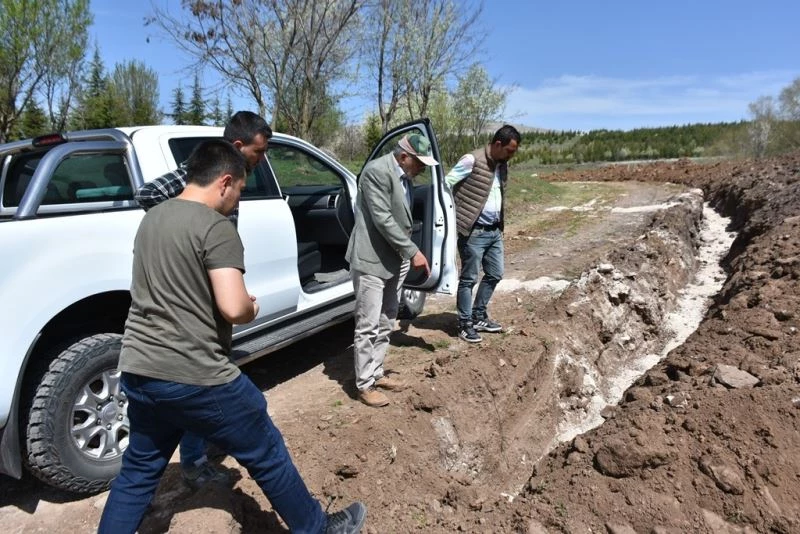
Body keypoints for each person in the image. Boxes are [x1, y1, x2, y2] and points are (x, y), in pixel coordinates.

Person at [98, 140, 366, 534]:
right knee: (266, 451)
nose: (238, 199)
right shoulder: (214, 227)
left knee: (137, 473)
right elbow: (233, 308)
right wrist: (250, 306)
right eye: (240, 189)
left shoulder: (152, 219)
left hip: (140, 369)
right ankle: (317, 528)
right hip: (195, 373)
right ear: (224, 182)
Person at [135, 110, 270, 489]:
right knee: (211, 378)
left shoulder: (230, 182)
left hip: (219, 277)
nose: (261, 162)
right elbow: (147, 193)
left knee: (141, 466)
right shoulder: (207, 177)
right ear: (238, 147)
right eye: (259, 153)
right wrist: (188, 225)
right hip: (199, 287)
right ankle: (194, 460)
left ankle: (195, 452)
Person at [345, 133, 435, 407]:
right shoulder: (376, 172)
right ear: (404, 156)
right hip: (372, 259)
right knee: (368, 323)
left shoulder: (405, 177)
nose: (422, 169)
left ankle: (376, 371)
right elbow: (382, 219)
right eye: (419, 163)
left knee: (387, 318)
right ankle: (364, 384)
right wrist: (413, 251)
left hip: (394, 259)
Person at [445, 125, 521, 343]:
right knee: (468, 279)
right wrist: (453, 217)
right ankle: (464, 323)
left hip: (494, 230)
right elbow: (446, 184)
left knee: (495, 274)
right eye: (509, 150)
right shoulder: (472, 160)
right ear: (498, 144)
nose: (511, 156)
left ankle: (479, 316)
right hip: (473, 231)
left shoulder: (502, 165)